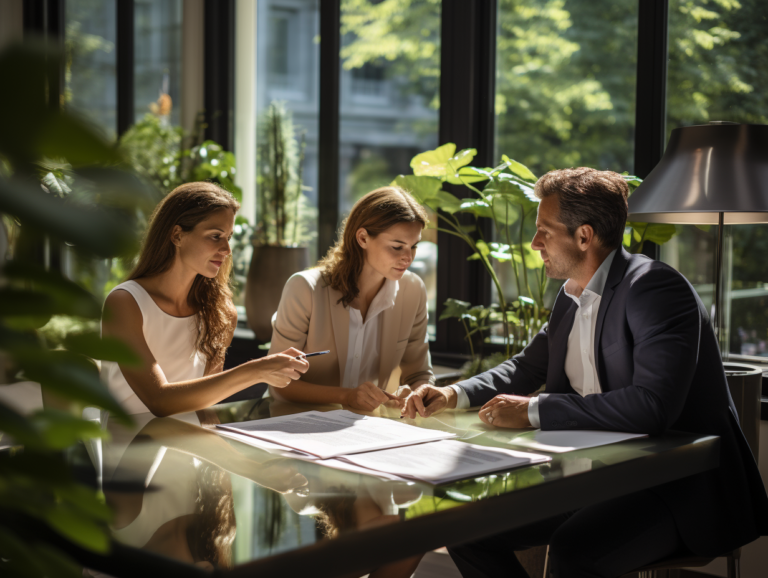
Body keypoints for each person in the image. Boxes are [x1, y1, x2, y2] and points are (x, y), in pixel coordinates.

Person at [402, 168, 768, 577]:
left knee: (575, 551)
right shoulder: (572, 293)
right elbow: (526, 366)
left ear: (584, 236)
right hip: (594, 479)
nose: (535, 242)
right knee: (467, 527)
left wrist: (534, 410)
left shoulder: (654, 289)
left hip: (672, 489)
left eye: (544, 230)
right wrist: (452, 394)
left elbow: (653, 406)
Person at [101, 182, 309, 417]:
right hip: (127, 444)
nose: (227, 249)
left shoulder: (221, 311)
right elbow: (158, 401)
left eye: (228, 237)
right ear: (177, 235)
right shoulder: (125, 303)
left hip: (187, 443)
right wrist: (257, 371)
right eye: (215, 236)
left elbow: (206, 405)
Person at [269, 186, 435, 411]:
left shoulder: (413, 289)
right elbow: (279, 382)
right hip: (297, 422)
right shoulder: (304, 288)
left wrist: (416, 392)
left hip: (365, 428)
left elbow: (419, 373)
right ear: (363, 238)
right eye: (397, 247)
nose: (408, 258)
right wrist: (346, 396)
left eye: (413, 247)